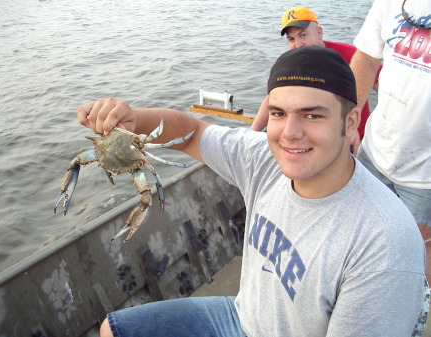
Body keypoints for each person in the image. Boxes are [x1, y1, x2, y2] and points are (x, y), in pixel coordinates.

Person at [78, 47, 427, 337]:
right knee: (114, 330)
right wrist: (134, 119)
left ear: (350, 122)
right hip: (241, 318)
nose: (290, 133)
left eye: (312, 115)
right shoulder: (262, 157)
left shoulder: (384, 244)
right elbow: (192, 133)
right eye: (278, 113)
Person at [349, 0, 431, 280]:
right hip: (375, 151)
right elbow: (367, 58)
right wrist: (350, 122)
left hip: (426, 178)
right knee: (358, 231)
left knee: (416, 253)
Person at [250, 5, 380, 145]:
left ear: (319, 33)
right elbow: (271, 99)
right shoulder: (288, 64)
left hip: (355, 139)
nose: (298, 44)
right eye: (291, 39)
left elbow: (388, 89)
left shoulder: (351, 56)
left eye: (303, 35)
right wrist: (251, 134)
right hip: (314, 141)